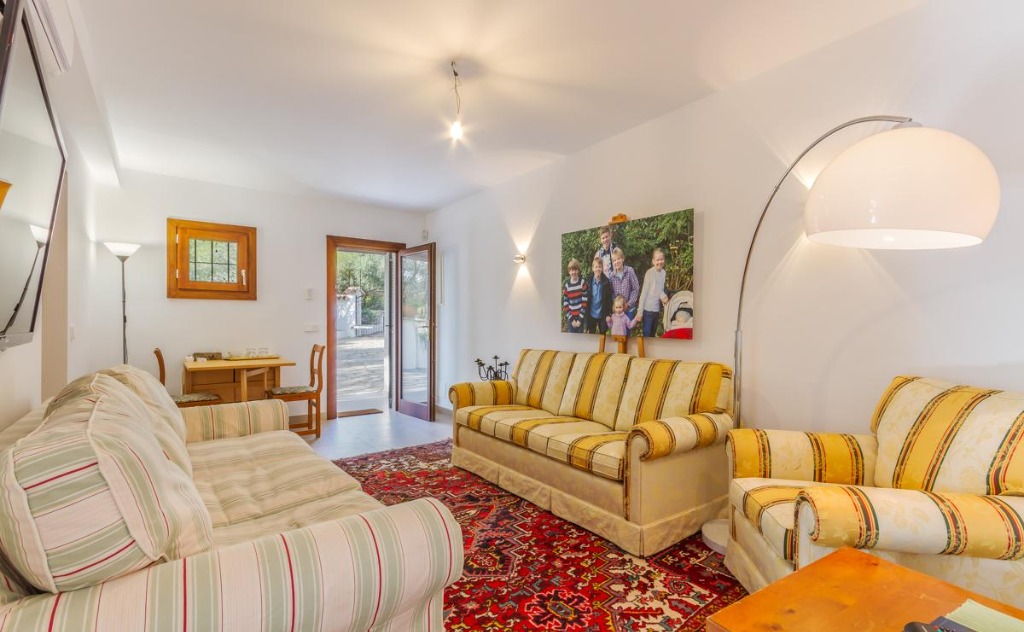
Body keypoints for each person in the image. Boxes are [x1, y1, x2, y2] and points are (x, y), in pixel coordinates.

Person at [637, 248, 669, 337]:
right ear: (653, 261)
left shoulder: (663, 273)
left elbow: (660, 289)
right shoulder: (649, 273)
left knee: (652, 335)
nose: (660, 262)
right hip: (647, 311)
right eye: (657, 260)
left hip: (656, 310)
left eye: (661, 259)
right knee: (647, 335)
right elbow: (643, 294)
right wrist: (640, 312)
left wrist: (664, 297)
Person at [608, 247, 639, 323]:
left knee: (628, 328)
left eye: (618, 259)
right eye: (614, 260)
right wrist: (616, 304)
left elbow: (635, 289)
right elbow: (611, 292)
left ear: (622, 259)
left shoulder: (629, 271)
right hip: (618, 310)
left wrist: (628, 304)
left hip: (629, 309)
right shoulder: (612, 276)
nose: (616, 262)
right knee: (619, 328)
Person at [584, 256, 612, 334]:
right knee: (592, 334)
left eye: (600, 267)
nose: (598, 269)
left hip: (602, 314)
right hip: (591, 314)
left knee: (602, 334)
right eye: (596, 267)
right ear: (593, 268)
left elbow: (609, 299)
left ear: (602, 268)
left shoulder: (606, 282)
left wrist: (609, 314)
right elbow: (585, 298)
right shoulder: (588, 281)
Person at [562, 258, 588, 333]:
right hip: (571, 319)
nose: (574, 272)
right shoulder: (567, 286)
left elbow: (584, 303)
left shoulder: (582, 283)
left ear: (578, 270)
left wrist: (580, 319)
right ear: (569, 271)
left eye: (575, 270)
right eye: (572, 270)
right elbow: (566, 304)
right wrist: (571, 319)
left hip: (580, 318)